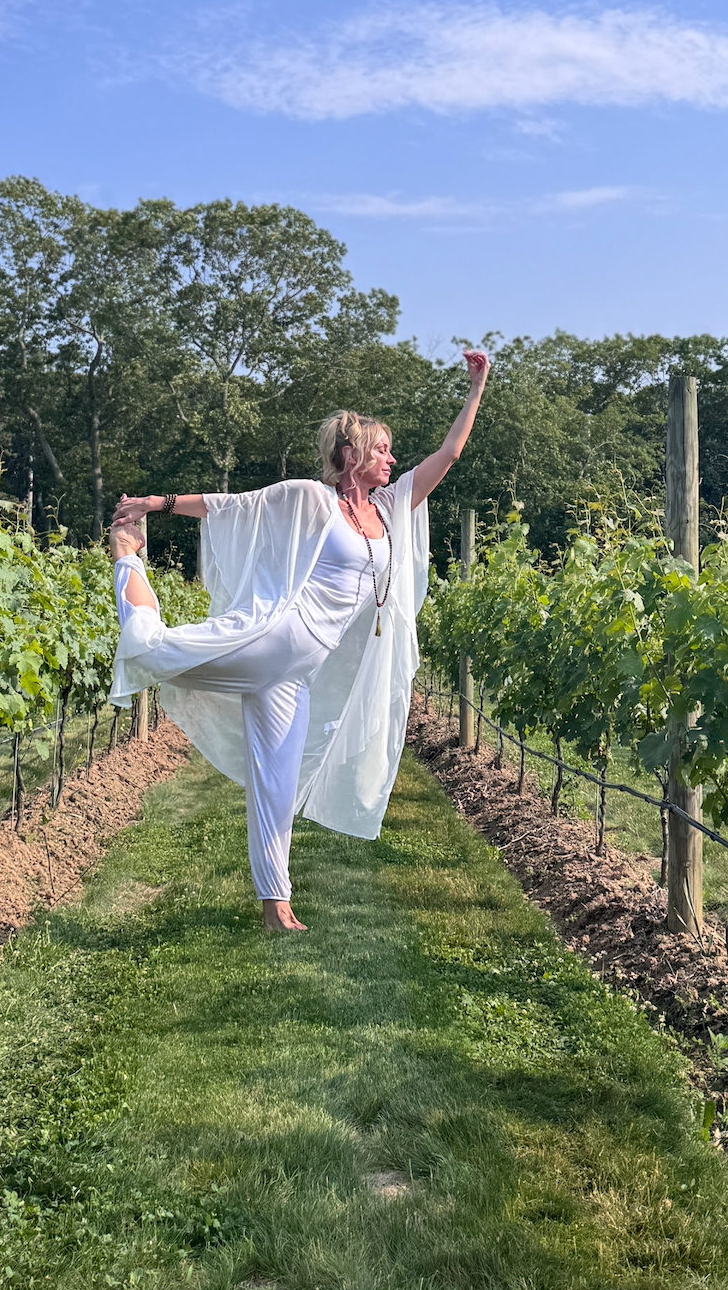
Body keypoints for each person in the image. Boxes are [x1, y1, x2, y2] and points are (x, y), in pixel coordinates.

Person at [108, 351, 491, 932]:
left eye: (391, 451)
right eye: (381, 450)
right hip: (273, 638)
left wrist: (476, 387)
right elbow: (233, 507)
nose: (391, 459)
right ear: (350, 456)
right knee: (148, 651)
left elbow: (451, 455)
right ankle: (125, 561)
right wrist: (155, 505)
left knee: (278, 783)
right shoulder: (315, 499)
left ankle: (276, 907)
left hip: (297, 671)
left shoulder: (388, 509)